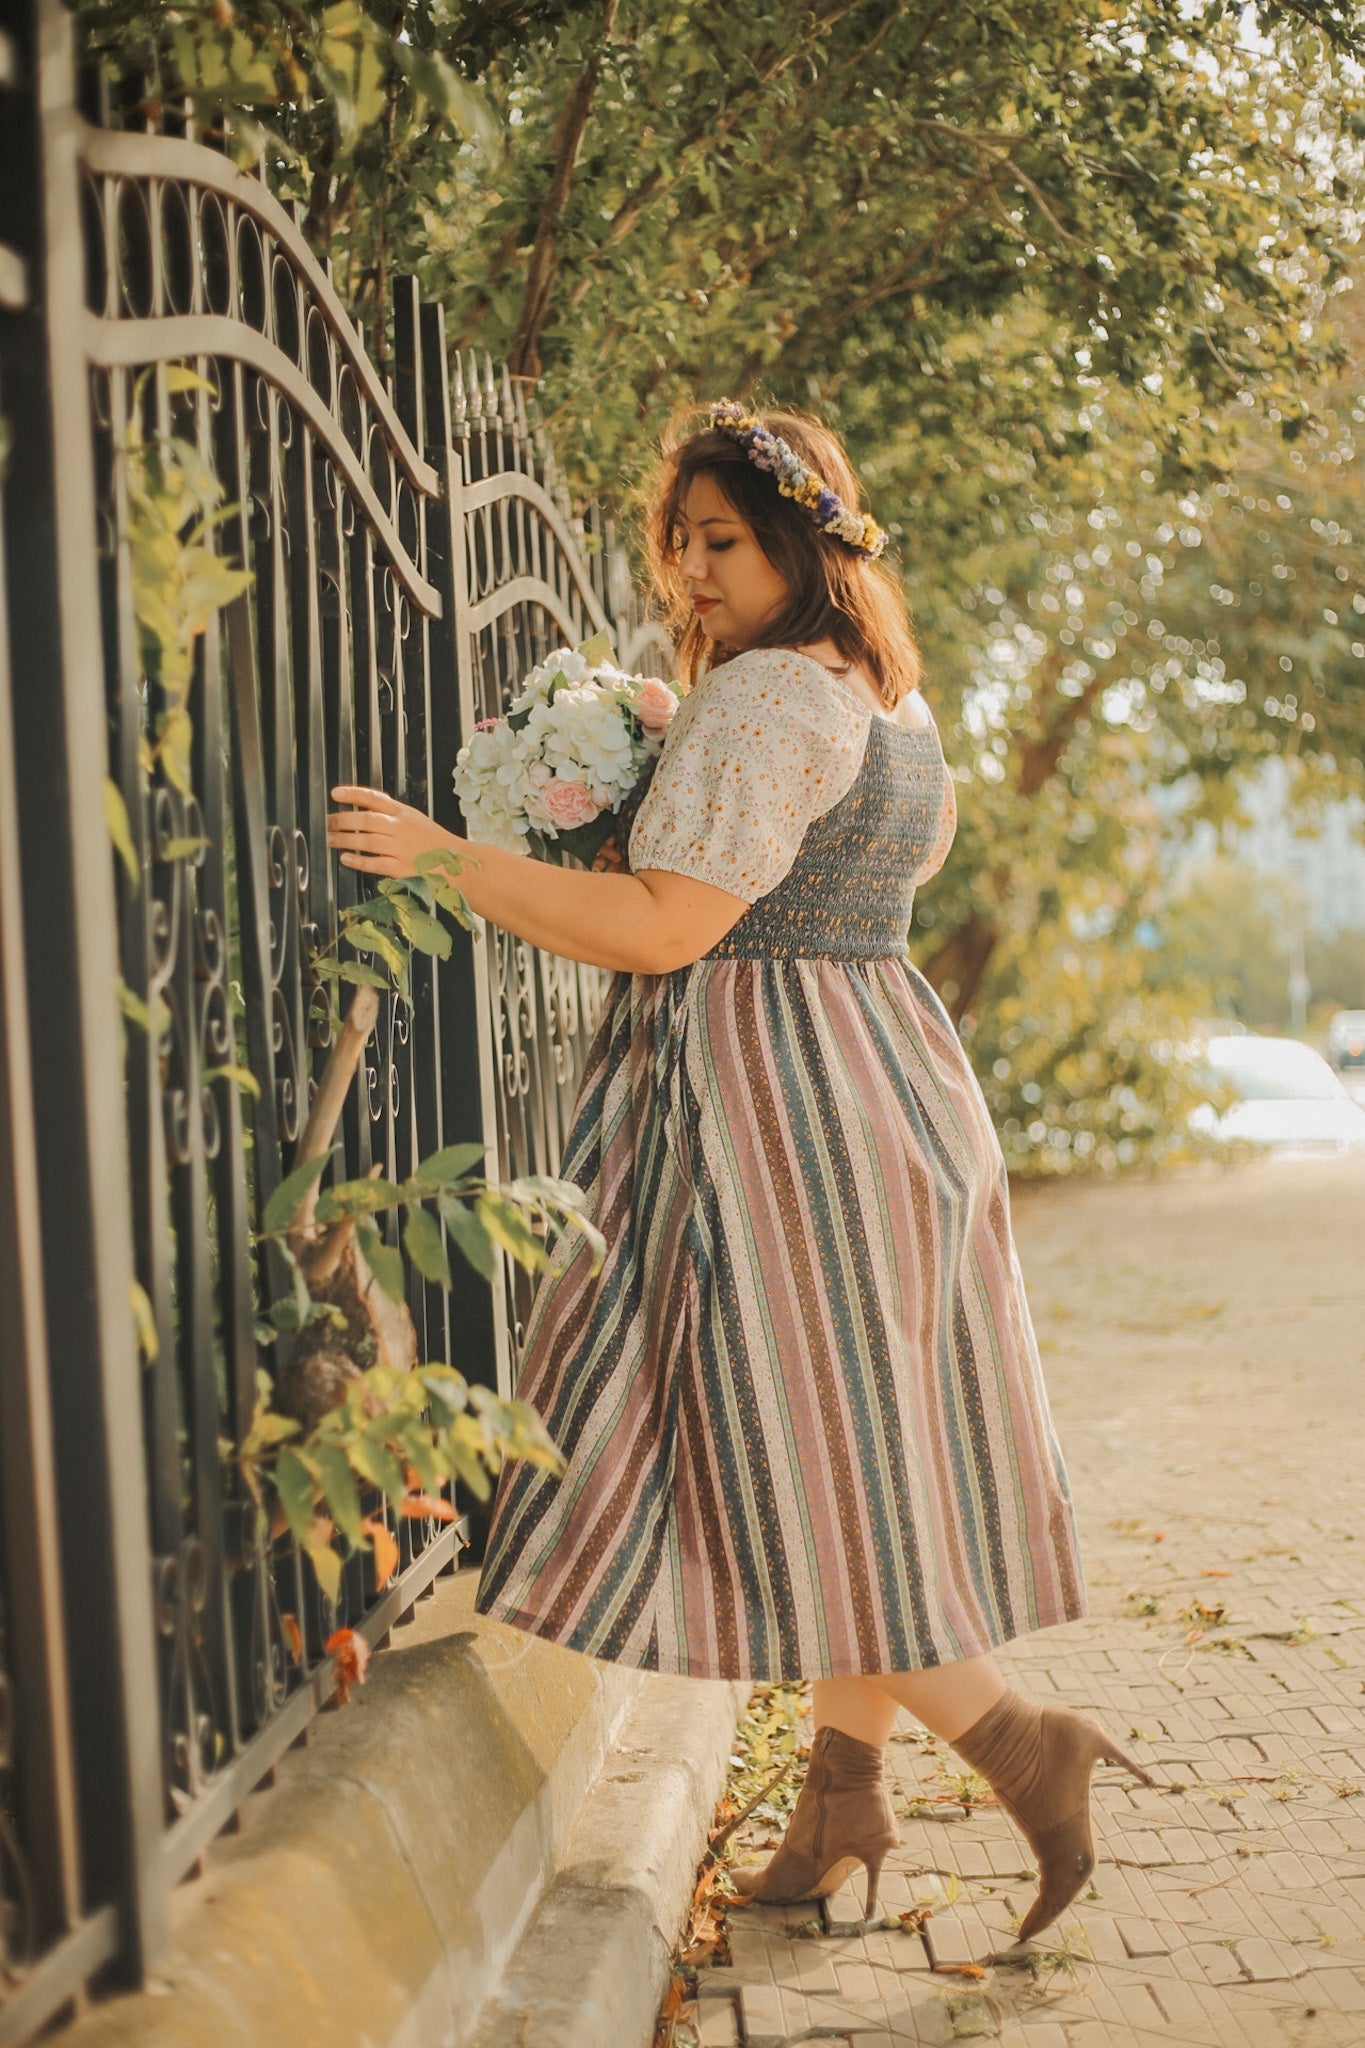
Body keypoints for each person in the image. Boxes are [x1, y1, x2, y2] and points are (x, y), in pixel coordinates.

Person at [326, 400, 1153, 1943]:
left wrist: (442, 853)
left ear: (802, 540)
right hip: (880, 1082)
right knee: (860, 1463)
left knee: (781, 1467)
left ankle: (1020, 1748)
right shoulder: (880, 695)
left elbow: (659, 930)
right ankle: (840, 1801)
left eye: (721, 541)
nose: (690, 574)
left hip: (775, 1120)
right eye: (678, 545)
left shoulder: (769, 699)